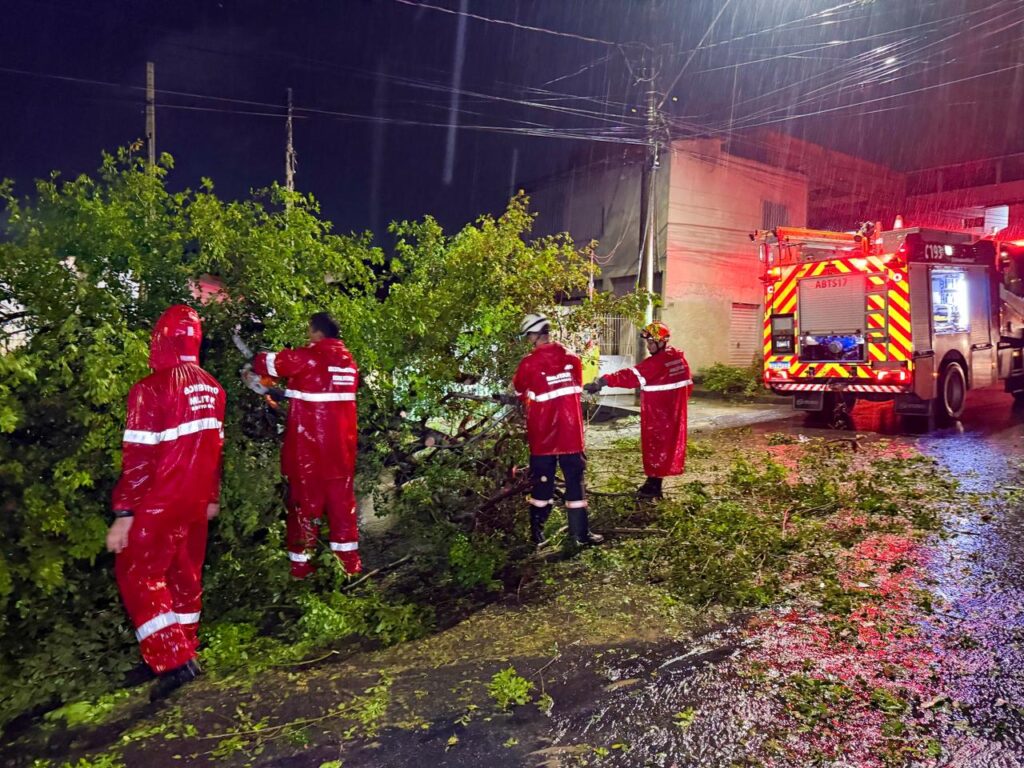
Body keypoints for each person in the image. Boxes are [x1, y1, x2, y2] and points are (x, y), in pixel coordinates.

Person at [107, 305, 226, 701]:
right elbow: (215, 451)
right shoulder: (213, 387)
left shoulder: (150, 389)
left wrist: (125, 512)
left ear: (160, 338)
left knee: (138, 572)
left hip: (160, 501)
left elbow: (138, 458)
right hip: (194, 502)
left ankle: (174, 661)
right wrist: (210, 497)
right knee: (184, 576)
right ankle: (184, 647)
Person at [250, 313, 361, 577]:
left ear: (316, 331)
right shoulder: (349, 363)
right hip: (342, 451)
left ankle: (302, 566)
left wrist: (255, 353)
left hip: (309, 450)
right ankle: (348, 565)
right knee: (342, 506)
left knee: (304, 507)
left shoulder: (308, 356)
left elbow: (269, 363)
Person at [506, 313, 603, 547]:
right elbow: (575, 389)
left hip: (543, 437)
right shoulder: (573, 359)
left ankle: (537, 537)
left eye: (529, 335)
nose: (528, 339)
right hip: (571, 435)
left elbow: (518, 390)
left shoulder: (529, 363)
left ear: (536, 334)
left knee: (542, 485)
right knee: (575, 483)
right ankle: (581, 535)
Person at [584, 321, 691, 499]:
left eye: (651, 343)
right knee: (666, 448)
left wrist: (602, 381)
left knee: (655, 448)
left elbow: (630, 376)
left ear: (662, 342)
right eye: (647, 343)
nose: (648, 347)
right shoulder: (679, 360)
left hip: (658, 414)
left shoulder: (657, 363)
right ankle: (654, 484)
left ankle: (652, 487)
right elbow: (689, 387)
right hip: (674, 414)